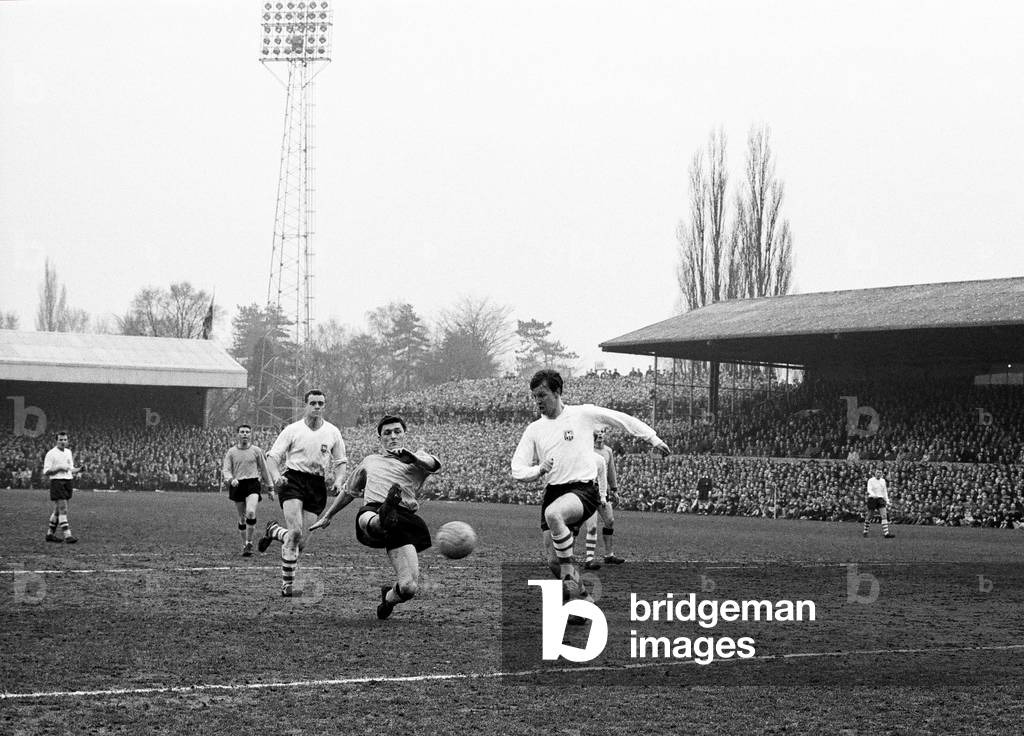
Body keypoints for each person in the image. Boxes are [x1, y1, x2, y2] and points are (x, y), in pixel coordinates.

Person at [511, 369, 670, 601]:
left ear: (557, 392)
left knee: (554, 514)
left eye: (542, 395)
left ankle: (574, 591)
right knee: (553, 562)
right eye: (534, 396)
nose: (538, 401)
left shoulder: (583, 414)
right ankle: (583, 598)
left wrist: (652, 438)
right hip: (553, 491)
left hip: (582, 490)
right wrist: (538, 470)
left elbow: (620, 418)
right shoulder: (534, 429)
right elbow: (517, 468)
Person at [310, 415, 440, 619]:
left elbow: (433, 464)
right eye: (387, 433)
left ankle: (387, 599)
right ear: (380, 439)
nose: (393, 436)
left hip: (403, 520)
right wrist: (328, 516)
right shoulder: (370, 461)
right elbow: (349, 491)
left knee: (408, 588)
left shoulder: (416, 458)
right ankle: (384, 514)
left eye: (397, 431)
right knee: (369, 518)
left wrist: (412, 457)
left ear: (404, 435)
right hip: (373, 509)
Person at [258, 389, 348, 597]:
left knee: (301, 543)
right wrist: (276, 476)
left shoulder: (333, 432)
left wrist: (339, 479)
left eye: (321, 403)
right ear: (305, 405)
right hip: (293, 480)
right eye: (313, 403)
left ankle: (274, 531)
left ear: (324, 406)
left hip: (316, 485)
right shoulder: (292, 430)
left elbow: (340, 461)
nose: (317, 406)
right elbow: (272, 457)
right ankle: (287, 585)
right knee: (296, 532)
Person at [222, 424, 273, 557]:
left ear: (250, 435)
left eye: (247, 432)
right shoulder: (231, 452)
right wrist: (230, 479)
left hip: (252, 483)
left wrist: (270, 487)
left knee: (250, 512)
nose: (245, 434)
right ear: (237, 434)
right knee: (242, 518)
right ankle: (245, 544)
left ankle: (249, 542)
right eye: (242, 432)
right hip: (237, 484)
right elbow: (226, 469)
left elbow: (264, 469)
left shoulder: (256, 451)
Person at [582, 428, 624, 569]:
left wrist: (615, 490)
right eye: (597, 433)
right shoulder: (586, 450)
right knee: (582, 525)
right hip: (588, 490)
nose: (600, 436)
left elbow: (610, 471)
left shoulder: (608, 451)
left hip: (602, 491)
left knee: (610, 520)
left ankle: (608, 555)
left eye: (602, 433)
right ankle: (571, 555)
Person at [42, 431, 82, 544]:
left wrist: (78, 470)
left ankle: (50, 534)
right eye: (60, 440)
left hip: (68, 481)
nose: (63, 442)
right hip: (57, 482)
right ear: (56, 441)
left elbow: (70, 468)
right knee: (63, 509)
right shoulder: (51, 453)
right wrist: (59, 468)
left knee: (57, 510)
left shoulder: (68, 452)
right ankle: (68, 535)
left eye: (65, 440)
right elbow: (46, 471)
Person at [864, 466, 895, 538]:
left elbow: (885, 492)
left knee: (884, 515)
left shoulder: (883, 481)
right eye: (877, 472)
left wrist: (887, 500)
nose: (878, 474)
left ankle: (886, 533)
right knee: (870, 516)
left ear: (882, 474)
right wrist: (873, 495)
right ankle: (865, 531)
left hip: (880, 499)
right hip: (872, 498)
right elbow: (869, 489)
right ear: (875, 473)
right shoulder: (870, 480)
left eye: (880, 473)